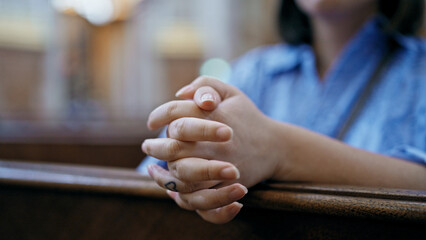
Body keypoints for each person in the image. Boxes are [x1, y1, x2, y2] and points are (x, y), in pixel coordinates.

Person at [139, 0, 426, 224]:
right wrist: (189, 178)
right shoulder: (254, 72)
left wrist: (278, 148)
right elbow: (152, 175)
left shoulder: (418, 75)